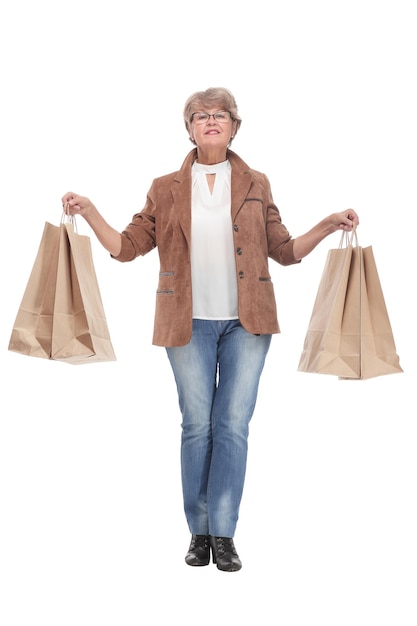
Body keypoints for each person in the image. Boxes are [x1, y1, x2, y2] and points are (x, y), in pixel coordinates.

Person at [62, 87, 359, 573]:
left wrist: (327, 225)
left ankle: (224, 534)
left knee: (233, 427)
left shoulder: (257, 182)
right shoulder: (165, 187)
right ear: (190, 129)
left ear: (235, 127)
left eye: (220, 115)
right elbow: (127, 247)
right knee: (197, 426)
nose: (211, 121)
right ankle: (198, 532)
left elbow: (283, 251)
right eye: (201, 116)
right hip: (187, 324)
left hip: (249, 323)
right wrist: (91, 212)